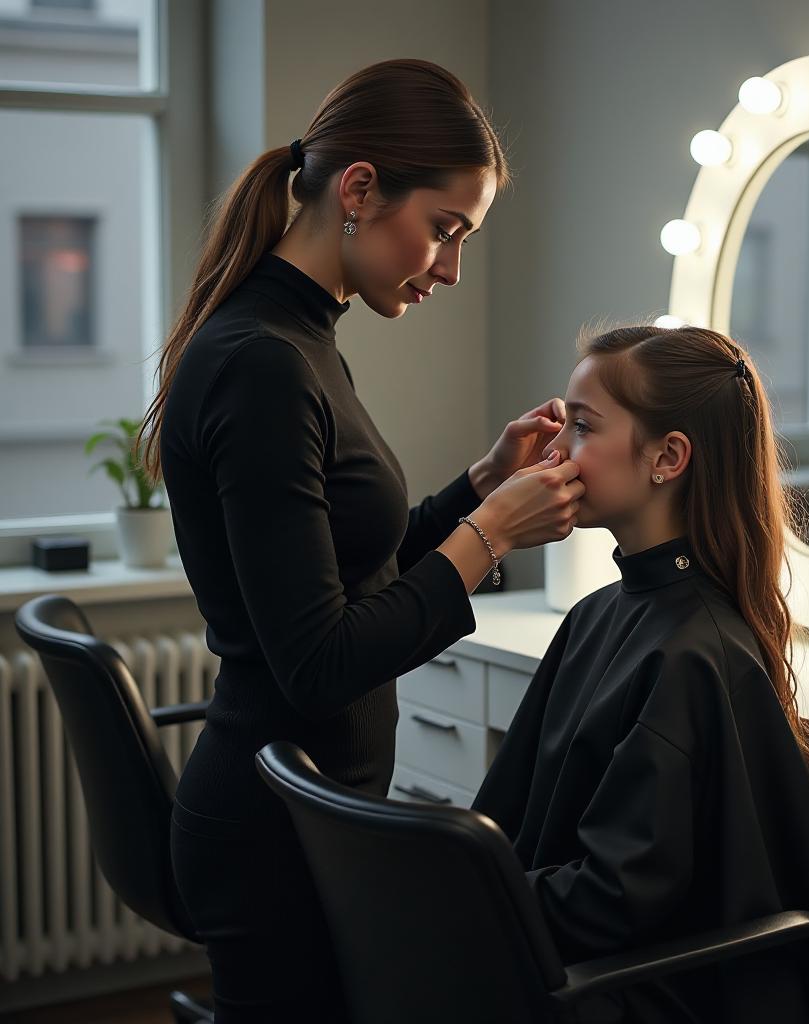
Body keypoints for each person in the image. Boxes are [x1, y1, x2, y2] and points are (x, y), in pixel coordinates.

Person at [137, 59, 584, 1022]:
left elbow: (352, 570)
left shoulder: (299, 340)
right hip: (268, 842)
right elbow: (319, 661)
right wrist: (485, 534)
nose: (452, 268)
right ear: (360, 188)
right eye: (445, 230)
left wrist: (481, 485)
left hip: (298, 818)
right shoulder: (264, 363)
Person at [472, 323, 809, 1024]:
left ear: (668, 457)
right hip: (560, 966)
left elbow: (611, 900)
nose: (554, 452)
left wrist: (452, 904)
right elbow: (506, 823)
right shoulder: (597, 617)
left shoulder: (690, 654)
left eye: (584, 428)